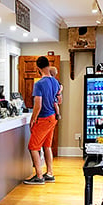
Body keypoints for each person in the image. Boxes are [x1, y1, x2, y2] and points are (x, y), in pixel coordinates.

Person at [24, 56, 60, 185]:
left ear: (37, 68)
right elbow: (58, 100)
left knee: (33, 147)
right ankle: (50, 173)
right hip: (53, 117)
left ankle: (39, 176)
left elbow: (37, 105)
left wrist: (33, 119)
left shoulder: (39, 84)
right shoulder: (56, 82)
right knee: (47, 145)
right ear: (48, 66)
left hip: (44, 118)